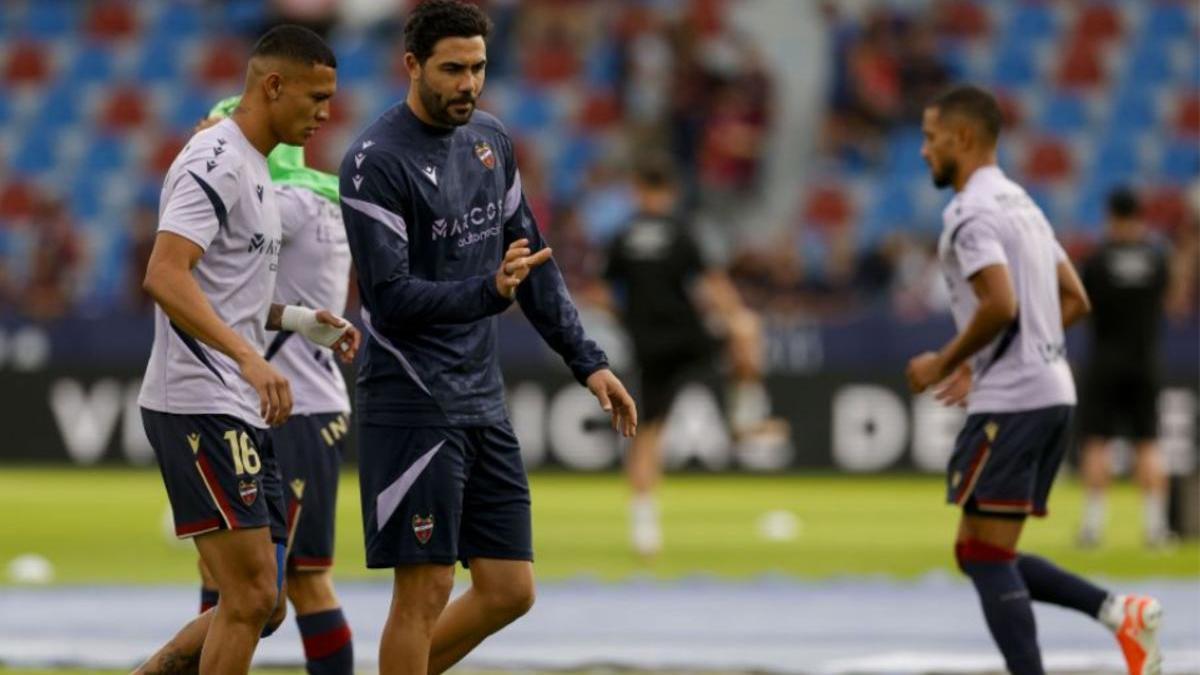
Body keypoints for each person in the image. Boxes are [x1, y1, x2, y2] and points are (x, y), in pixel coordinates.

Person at [337, 2, 637, 673]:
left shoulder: (491, 142)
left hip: (480, 397)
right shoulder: (374, 161)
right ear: (412, 65)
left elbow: (529, 263)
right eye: (452, 69)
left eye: (477, 68)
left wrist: (588, 362)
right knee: (425, 590)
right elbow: (389, 297)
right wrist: (488, 293)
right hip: (413, 401)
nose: (468, 82)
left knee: (509, 587)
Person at [906, 85, 1161, 675]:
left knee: (984, 556)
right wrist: (1006, 356)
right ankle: (1121, 612)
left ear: (963, 138)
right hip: (1050, 389)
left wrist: (946, 362)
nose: (923, 151)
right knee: (982, 550)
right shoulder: (1023, 202)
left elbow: (998, 303)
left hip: (1014, 403)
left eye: (931, 136)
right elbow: (1073, 297)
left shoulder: (970, 213)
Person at [134, 26, 361, 674]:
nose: (325, 113)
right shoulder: (216, 160)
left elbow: (228, 297)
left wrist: (300, 320)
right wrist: (249, 356)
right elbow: (165, 273)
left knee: (267, 600)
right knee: (254, 593)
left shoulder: (257, 168)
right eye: (317, 97)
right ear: (272, 85)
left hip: (237, 403)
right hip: (199, 400)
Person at [192, 94, 355, 674]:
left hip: (292, 409)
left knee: (267, 588)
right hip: (304, 401)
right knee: (258, 577)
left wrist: (206, 153)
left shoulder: (282, 202)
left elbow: (197, 255)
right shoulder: (324, 195)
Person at [601, 154, 783, 557]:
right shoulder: (680, 231)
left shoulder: (621, 236)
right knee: (746, 330)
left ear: (637, 191)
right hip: (688, 334)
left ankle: (643, 529)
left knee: (647, 432)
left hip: (647, 343)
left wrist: (630, 321)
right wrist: (734, 315)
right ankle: (745, 415)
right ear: (669, 192)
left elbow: (604, 293)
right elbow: (713, 282)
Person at [1076, 187, 1172, 549]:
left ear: (1110, 215)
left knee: (1097, 442)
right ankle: (1156, 529)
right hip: (1146, 360)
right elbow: (1168, 301)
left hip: (1104, 360)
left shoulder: (1098, 258)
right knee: (1148, 443)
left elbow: (1082, 304)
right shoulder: (1156, 257)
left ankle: (1092, 528)